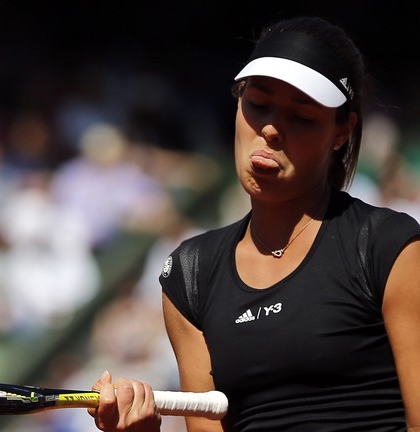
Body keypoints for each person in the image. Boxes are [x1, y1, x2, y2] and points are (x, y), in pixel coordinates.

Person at [88, 16, 420, 431]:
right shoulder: (190, 274)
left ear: (342, 132)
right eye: (258, 104)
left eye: (301, 116)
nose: (269, 129)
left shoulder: (391, 248)